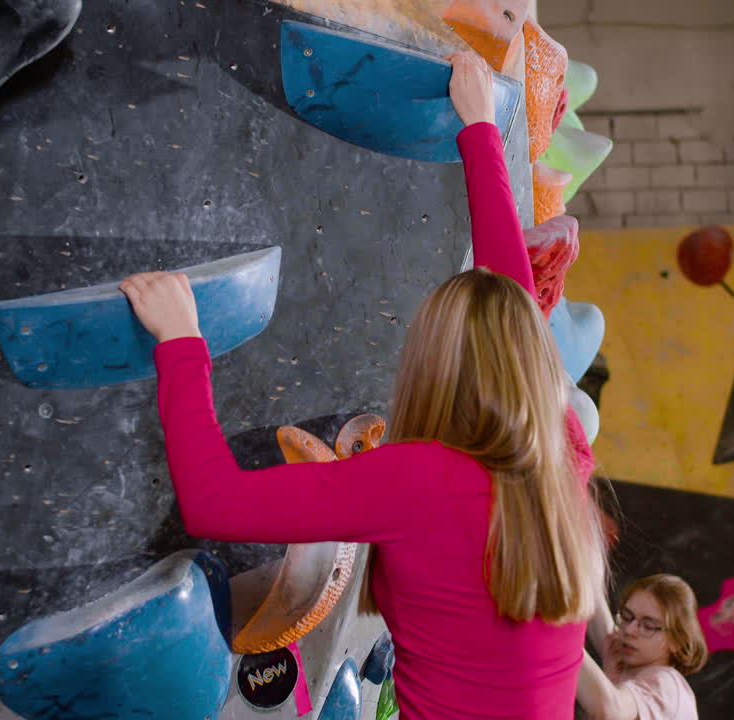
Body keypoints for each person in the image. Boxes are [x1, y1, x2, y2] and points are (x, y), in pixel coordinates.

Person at [120, 50, 607, 719]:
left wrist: (181, 346)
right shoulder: (562, 456)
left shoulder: (419, 482)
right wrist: (479, 132)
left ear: (429, 365)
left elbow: (214, 501)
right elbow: (509, 304)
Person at [577, 574, 707, 720]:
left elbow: (611, 709)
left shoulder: (667, 683)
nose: (629, 630)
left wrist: (562, 643)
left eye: (648, 626)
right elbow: (595, 600)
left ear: (678, 642)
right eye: (627, 616)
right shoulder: (621, 658)